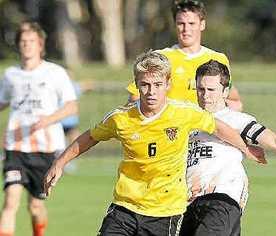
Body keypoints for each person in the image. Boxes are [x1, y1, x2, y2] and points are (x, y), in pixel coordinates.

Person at [43, 51, 264, 236]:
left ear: (168, 84)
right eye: (145, 85)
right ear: (137, 85)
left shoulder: (184, 113)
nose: (151, 91)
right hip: (125, 208)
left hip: (165, 213)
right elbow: (90, 137)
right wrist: (59, 163)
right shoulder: (120, 118)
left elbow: (218, 127)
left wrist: (246, 147)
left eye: (158, 84)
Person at [179, 60, 276, 236]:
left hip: (220, 200)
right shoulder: (187, 121)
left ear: (225, 92)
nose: (205, 95)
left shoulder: (236, 120)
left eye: (211, 90)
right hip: (187, 204)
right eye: (201, 89)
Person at [0, 21, 78, 236]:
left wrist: (50, 119)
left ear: (40, 44)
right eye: (23, 42)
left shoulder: (55, 73)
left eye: (31, 41)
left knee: (35, 206)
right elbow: (2, 101)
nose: (27, 45)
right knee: (10, 201)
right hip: (15, 146)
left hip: (45, 149)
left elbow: (72, 106)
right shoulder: (10, 75)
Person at [127, 0, 242, 111]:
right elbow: (134, 99)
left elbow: (235, 102)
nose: (186, 29)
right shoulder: (159, 58)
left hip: (205, 128)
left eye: (191, 23)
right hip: (170, 127)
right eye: (181, 24)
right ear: (175, 25)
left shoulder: (218, 58)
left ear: (202, 24)